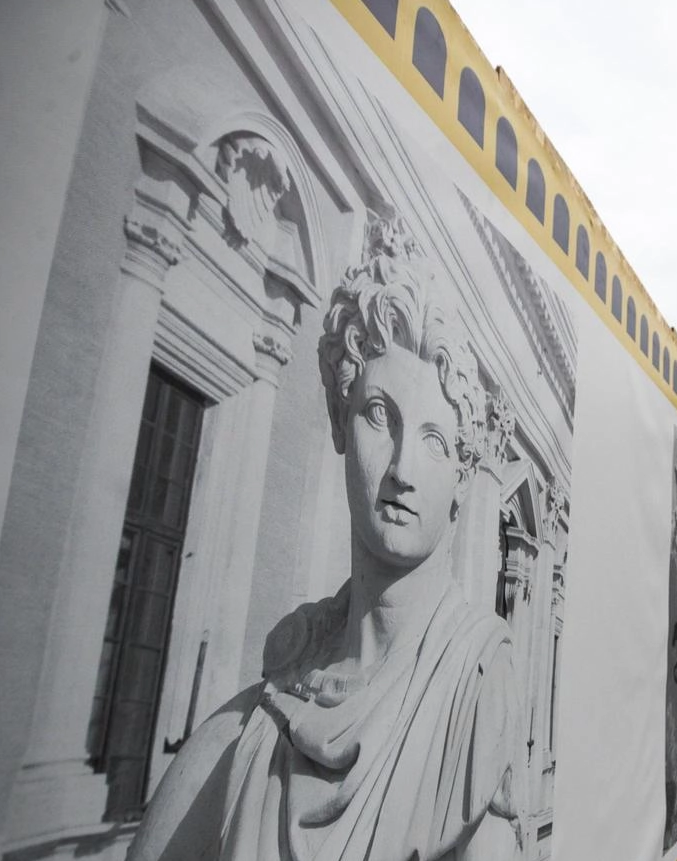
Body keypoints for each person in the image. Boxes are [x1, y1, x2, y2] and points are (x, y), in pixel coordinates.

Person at [130, 227, 525, 861]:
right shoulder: (263, 713)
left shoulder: (471, 693)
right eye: (379, 415)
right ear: (341, 424)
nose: (401, 469)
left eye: (434, 440)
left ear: (459, 478)